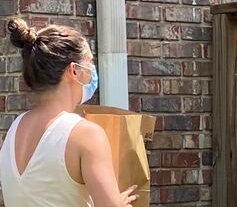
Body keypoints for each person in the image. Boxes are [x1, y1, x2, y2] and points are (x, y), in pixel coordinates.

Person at [0, 19, 138, 207]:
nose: (92, 71)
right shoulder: (86, 134)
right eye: (89, 63)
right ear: (74, 71)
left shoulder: (14, 129)